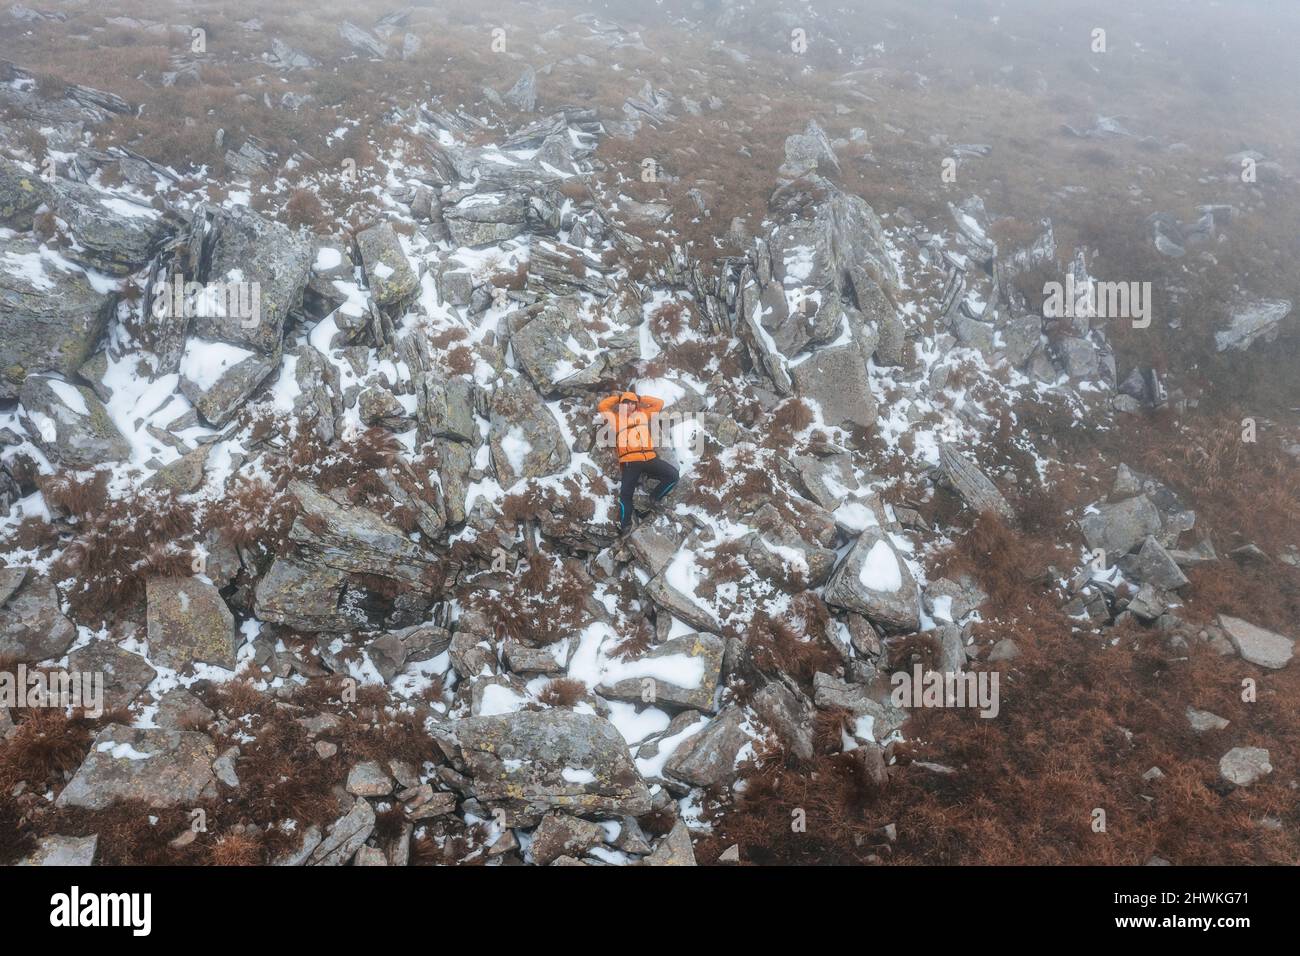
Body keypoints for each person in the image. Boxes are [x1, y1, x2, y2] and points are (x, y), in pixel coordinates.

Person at [597, 390, 679, 531]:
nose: (629, 406)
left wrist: (640, 398)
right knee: (626, 494)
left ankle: (654, 498)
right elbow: (602, 406)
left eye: (632, 403)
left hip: (649, 458)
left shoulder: (643, 414)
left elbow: (659, 404)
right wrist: (618, 398)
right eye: (626, 403)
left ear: (636, 405)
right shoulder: (615, 419)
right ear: (621, 405)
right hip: (630, 462)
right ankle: (625, 524)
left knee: (673, 475)